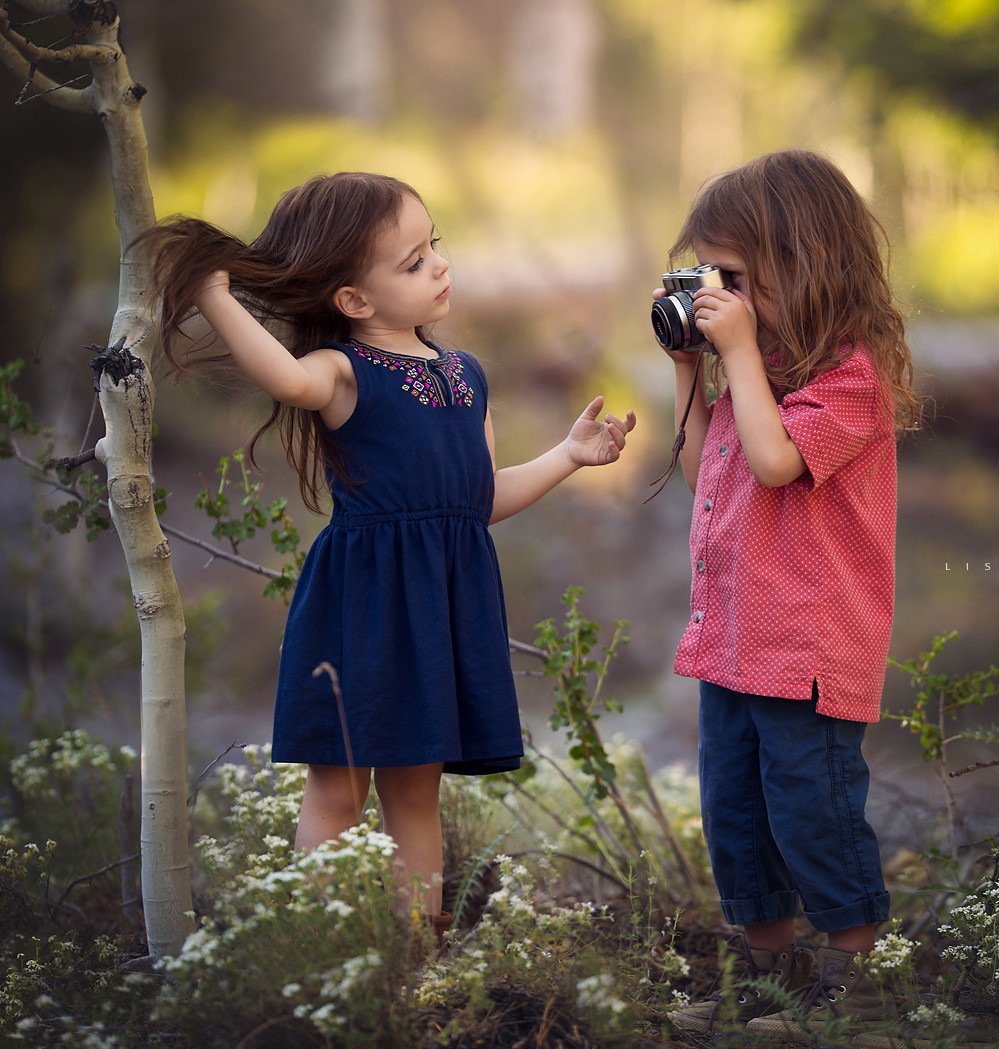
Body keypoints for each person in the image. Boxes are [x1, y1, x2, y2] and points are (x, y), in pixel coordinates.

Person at [141, 172, 635, 941]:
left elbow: (477, 501)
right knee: (337, 789)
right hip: (363, 606)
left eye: (434, 246)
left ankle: (414, 959)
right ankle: (325, 948)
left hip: (439, 610)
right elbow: (283, 374)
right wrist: (213, 293)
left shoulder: (463, 376)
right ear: (354, 301)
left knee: (416, 794)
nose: (438, 265)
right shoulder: (343, 371)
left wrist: (568, 456)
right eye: (412, 261)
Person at [654, 150, 921, 1043]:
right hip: (732, 640)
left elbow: (775, 461)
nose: (717, 296)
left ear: (802, 261)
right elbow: (707, 476)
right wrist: (693, 367)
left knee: (813, 809)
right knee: (736, 814)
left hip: (806, 646)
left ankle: (860, 985)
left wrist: (735, 356)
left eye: (731, 277)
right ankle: (766, 981)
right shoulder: (752, 370)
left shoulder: (852, 377)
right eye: (705, 279)